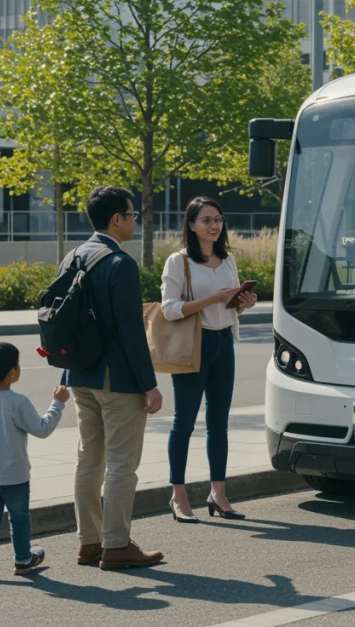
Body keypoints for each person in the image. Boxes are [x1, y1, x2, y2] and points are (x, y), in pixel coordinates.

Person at [62, 185, 164, 570]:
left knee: (89, 460)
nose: (135, 220)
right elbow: (130, 331)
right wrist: (148, 384)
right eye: (132, 214)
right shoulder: (120, 263)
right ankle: (117, 545)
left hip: (79, 375)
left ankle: (89, 543)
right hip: (116, 378)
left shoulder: (72, 257)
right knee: (123, 463)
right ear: (116, 219)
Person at [161, 196, 256, 523]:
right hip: (194, 345)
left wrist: (243, 301)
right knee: (184, 423)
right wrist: (213, 298)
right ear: (191, 225)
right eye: (206, 220)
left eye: (218, 219)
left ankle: (218, 494)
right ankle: (178, 495)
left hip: (223, 343)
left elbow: (229, 305)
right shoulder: (179, 261)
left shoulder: (227, 259)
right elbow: (169, 309)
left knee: (219, 423)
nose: (215, 225)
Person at [0, 342, 67, 581]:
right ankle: (22, 559)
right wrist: (58, 403)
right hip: (15, 475)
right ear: (12, 373)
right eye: (18, 365)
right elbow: (42, 429)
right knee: (19, 518)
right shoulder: (18, 401)